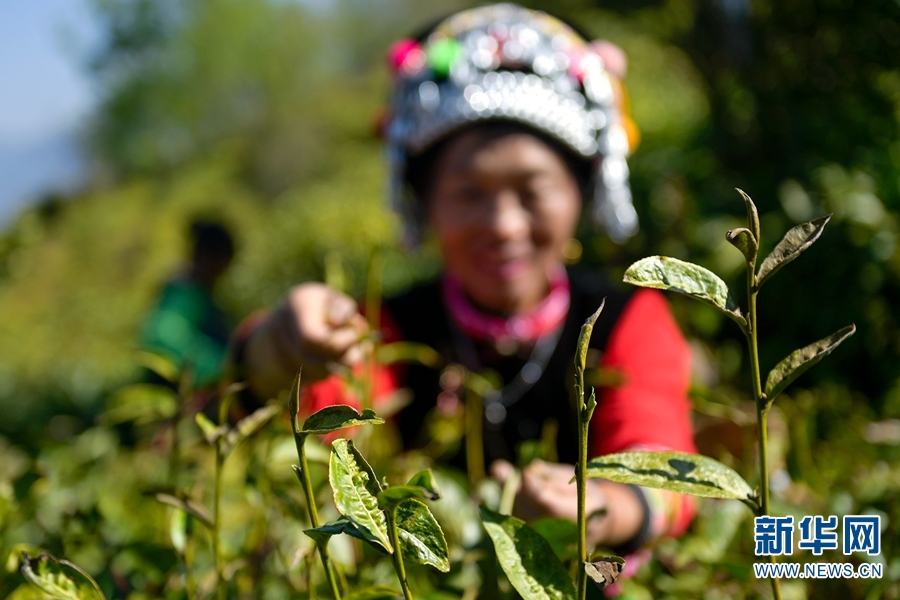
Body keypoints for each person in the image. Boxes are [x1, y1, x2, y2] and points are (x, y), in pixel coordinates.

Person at [236, 4, 695, 557]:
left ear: (581, 193)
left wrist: (602, 510)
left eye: (532, 190)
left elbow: (666, 471)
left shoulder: (627, 320)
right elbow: (277, 410)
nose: (503, 226)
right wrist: (281, 345)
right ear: (425, 203)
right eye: (468, 194)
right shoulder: (387, 329)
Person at [141, 220, 235, 388]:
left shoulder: (207, 300)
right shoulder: (184, 293)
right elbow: (162, 339)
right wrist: (221, 368)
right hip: (168, 396)